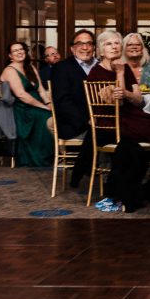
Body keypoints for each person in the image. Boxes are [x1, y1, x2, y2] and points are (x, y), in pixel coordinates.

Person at [86, 30, 150, 212]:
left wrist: (126, 85)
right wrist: (120, 74)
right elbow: (117, 103)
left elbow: (138, 99)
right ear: (100, 51)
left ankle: (134, 194)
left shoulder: (126, 68)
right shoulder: (96, 72)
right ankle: (132, 195)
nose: (114, 46)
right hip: (110, 123)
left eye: (116, 43)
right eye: (108, 44)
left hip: (129, 118)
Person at [50, 30, 99, 187]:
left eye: (89, 43)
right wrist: (88, 120)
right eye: (80, 43)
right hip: (75, 122)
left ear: (94, 47)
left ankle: (86, 170)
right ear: (72, 48)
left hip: (101, 119)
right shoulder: (61, 68)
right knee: (104, 132)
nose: (85, 47)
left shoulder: (101, 66)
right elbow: (63, 101)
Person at [0, 41, 53, 168]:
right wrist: (44, 107)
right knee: (45, 117)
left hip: (36, 103)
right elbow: (21, 95)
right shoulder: (10, 70)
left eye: (21, 49)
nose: (19, 52)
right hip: (22, 108)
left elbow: (40, 89)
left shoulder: (31, 67)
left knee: (55, 114)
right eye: (15, 51)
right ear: (10, 56)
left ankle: (58, 153)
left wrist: (49, 103)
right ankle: (44, 156)